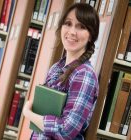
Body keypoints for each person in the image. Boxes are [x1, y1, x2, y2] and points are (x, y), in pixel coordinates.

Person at [23, 3, 100, 140]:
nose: (72, 32)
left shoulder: (84, 75)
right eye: (68, 24)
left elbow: (66, 130)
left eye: (81, 27)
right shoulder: (56, 68)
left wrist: (28, 113)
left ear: (91, 36)